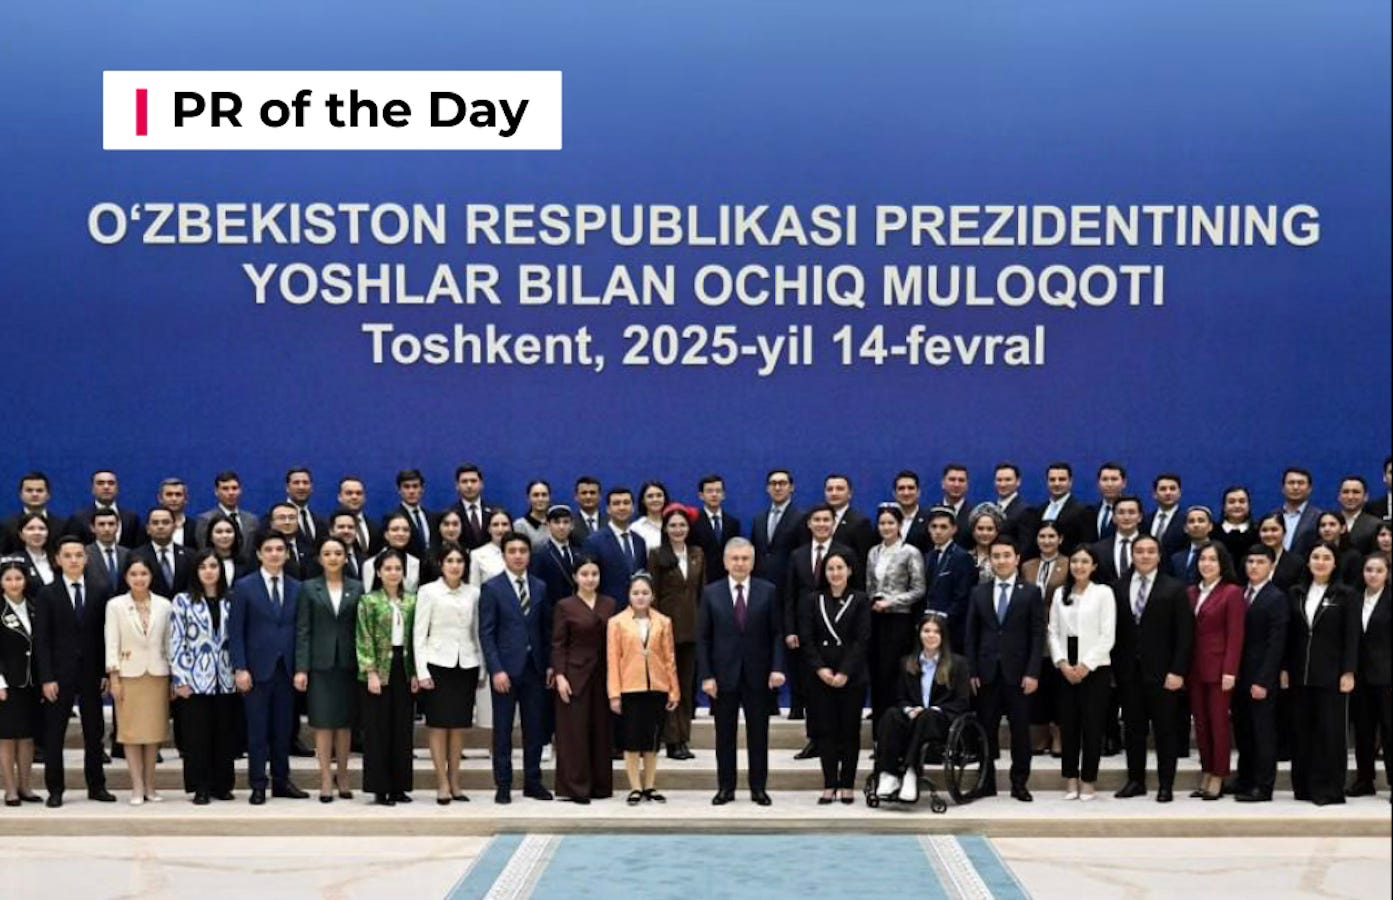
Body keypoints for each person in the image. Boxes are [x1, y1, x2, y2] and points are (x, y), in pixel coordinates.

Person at [699, 537, 786, 806]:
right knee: (724, 736)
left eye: (745, 558)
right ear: (726, 562)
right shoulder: (711, 593)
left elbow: (777, 633)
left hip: (758, 675)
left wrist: (777, 668)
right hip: (723, 676)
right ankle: (726, 788)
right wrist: (707, 675)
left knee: (758, 735)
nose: (740, 563)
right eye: (735, 558)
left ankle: (758, 788)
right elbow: (703, 638)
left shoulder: (768, 591)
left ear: (753, 561)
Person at [1111, 534, 1193, 802]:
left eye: (1150, 551)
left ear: (1159, 556)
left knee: (1165, 731)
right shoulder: (1117, 587)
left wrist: (1178, 671)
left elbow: (1185, 634)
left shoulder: (1174, 588)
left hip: (1164, 673)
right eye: (1139, 551)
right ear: (1132, 555)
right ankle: (1135, 781)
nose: (1144, 556)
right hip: (1128, 673)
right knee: (1133, 730)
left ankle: (1166, 784)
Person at [34, 536, 114, 806]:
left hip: (92, 673)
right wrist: (46, 677)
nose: (74, 560)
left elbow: (105, 635)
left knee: (94, 732)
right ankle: (55, 789)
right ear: (57, 560)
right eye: (67, 555)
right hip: (59, 674)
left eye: (79, 555)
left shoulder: (100, 590)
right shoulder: (47, 593)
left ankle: (97, 786)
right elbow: (42, 640)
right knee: (54, 735)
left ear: (86, 558)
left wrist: (105, 672)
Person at [229, 531, 308, 804]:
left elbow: (301, 630)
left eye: (279, 549)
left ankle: (282, 781)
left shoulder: (298, 587)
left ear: (287, 554)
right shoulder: (244, 586)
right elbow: (236, 631)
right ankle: (258, 784)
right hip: (256, 670)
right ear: (259, 554)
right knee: (257, 731)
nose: (275, 554)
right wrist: (240, 667)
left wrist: (301, 668)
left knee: (283, 730)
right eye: (269, 549)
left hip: (286, 670)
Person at [964, 537, 1045, 801]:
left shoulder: (1031, 592)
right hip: (986, 673)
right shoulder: (979, 592)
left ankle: (1019, 782)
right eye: (996, 556)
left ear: (1017, 558)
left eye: (1006, 555)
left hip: (1019, 674)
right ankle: (986, 781)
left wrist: (1033, 672)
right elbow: (971, 635)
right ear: (990, 560)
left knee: (1020, 731)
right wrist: (972, 670)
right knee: (985, 730)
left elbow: (1037, 635)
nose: (1001, 561)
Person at [479, 533, 553, 804]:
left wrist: (549, 665)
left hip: (535, 669)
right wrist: (496, 669)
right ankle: (503, 784)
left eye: (523, 550)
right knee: (503, 730)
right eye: (512, 551)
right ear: (504, 555)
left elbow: (546, 629)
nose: (518, 555)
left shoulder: (540, 586)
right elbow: (487, 633)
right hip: (505, 671)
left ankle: (533, 781)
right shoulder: (492, 587)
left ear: (529, 555)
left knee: (535, 729)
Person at [1285, 541, 1359, 805]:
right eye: (1315, 557)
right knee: (1301, 731)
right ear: (1308, 562)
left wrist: (1349, 671)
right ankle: (1304, 787)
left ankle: (1329, 789)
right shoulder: (1296, 592)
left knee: (1330, 733)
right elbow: (1289, 635)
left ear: (1335, 563)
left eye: (1326, 557)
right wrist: (1284, 668)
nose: (1320, 562)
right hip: (1299, 675)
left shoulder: (1346, 594)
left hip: (1332, 675)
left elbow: (1352, 636)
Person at [870, 613, 970, 801]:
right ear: (919, 634)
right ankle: (889, 774)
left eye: (936, 632)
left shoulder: (958, 664)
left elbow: (962, 702)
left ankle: (910, 771)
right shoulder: (907, 663)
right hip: (913, 717)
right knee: (891, 714)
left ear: (943, 636)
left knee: (927, 716)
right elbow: (900, 698)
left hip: (940, 721)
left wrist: (933, 710)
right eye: (926, 631)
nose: (931, 635)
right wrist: (909, 710)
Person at [799, 549, 871, 805]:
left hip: (852, 676)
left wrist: (844, 672)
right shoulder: (813, 599)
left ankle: (847, 784)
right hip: (821, 677)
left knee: (849, 731)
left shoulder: (860, 599)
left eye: (840, 568)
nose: (835, 573)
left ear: (849, 570)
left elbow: (862, 639)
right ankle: (829, 783)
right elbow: (807, 638)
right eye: (830, 568)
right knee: (826, 731)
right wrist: (821, 669)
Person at [294, 537, 363, 802]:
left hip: (348, 664)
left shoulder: (357, 587)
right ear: (320, 559)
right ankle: (325, 779)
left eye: (338, 553)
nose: (333, 558)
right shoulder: (309, 588)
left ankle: (343, 776)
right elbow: (303, 630)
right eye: (327, 553)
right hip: (319, 666)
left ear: (345, 558)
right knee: (323, 724)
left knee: (344, 725)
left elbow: (362, 628)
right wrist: (301, 668)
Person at [414, 542, 481, 804]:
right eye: (450, 561)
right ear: (441, 564)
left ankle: (455, 781)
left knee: (458, 727)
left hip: (466, 664)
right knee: (438, 725)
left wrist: (481, 666)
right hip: (437, 664)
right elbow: (419, 634)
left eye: (459, 561)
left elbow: (477, 632)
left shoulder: (473, 593)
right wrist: (421, 671)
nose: (455, 566)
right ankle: (441, 782)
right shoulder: (428, 592)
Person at [169, 549, 238, 804]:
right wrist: (180, 679)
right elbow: (175, 641)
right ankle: (201, 787)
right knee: (196, 737)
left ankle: (223, 785)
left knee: (224, 734)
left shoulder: (232, 600)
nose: (209, 571)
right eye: (203, 567)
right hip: (194, 680)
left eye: (213, 566)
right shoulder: (183, 601)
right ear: (195, 571)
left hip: (226, 679)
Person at [1048, 545, 1115, 801]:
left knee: (1092, 726)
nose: (1079, 566)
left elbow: (1107, 635)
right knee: (1069, 726)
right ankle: (1070, 779)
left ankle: (1088, 780)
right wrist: (1062, 663)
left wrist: (1086, 665)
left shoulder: (1103, 593)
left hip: (1095, 668)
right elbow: (1052, 631)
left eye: (1085, 561)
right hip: (1066, 668)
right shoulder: (1060, 593)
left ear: (1094, 566)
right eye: (1075, 561)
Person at [104, 557, 172, 805]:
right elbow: (112, 642)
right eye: (134, 574)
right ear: (126, 577)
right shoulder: (116, 605)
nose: (139, 579)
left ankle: (150, 786)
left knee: (153, 734)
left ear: (151, 576)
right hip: (128, 675)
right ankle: (136, 787)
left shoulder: (164, 605)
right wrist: (114, 678)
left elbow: (169, 642)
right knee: (131, 734)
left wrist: (174, 676)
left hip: (157, 674)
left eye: (144, 573)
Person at [608, 572, 680, 805]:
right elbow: (613, 659)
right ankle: (635, 787)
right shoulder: (617, 622)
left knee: (652, 740)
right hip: (630, 687)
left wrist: (674, 689)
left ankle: (650, 785)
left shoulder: (663, 621)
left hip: (657, 686)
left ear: (653, 596)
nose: (640, 597)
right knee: (631, 739)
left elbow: (669, 658)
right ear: (629, 595)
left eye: (645, 593)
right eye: (636, 593)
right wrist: (614, 694)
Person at [786, 504, 853, 745]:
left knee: (835, 688)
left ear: (834, 523)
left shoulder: (845, 552)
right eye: (817, 520)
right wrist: (790, 629)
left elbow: (855, 591)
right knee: (811, 687)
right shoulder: (798, 555)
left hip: (836, 628)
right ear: (809, 524)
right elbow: (790, 595)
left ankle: (836, 738)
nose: (822, 524)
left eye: (826, 520)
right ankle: (815, 740)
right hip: (806, 629)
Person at [356, 549, 418, 806]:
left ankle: (399, 787)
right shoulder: (368, 601)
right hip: (378, 668)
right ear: (379, 573)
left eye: (397, 569)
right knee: (377, 729)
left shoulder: (412, 601)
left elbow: (416, 639)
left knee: (402, 729)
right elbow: (364, 636)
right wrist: (370, 671)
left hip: (403, 666)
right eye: (388, 569)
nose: (393, 573)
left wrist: (415, 672)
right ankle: (379, 788)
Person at [551, 556, 616, 803]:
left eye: (594, 574)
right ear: (575, 577)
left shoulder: (610, 603)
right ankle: (575, 788)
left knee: (601, 730)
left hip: (603, 674)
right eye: (585, 574)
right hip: (574, 675)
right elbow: (558, 644)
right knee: (574, 732)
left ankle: (600, 786)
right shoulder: (565, 605)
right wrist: (560, 675)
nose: (590, 579)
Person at [1230, 545, 1289, 803]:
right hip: (1239, 675)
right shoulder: (1240, 593)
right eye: (1250, 561)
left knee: (1263, 733)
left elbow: (1276, 644)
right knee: (1243, 732)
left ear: (1271, 566)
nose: (1254, 566)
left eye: (1260, 562)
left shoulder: (1276, 597)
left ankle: (1263, 786)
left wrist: (1264, 680)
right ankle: (1244, 778)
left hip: (1261, 677)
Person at [1186, 542, 1245, 800]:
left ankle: (1220, 774)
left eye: (1212, 559)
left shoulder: (1232, 592)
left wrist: (1230, 670)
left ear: (1222, 563)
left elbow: (1236, 634)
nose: (1206, 564)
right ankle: (1207, 770)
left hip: (1220, 670)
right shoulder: (1191, 592)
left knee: (1218, 724)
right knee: (1201, 724)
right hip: (1194, 669)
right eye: (1202, 559)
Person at [648, 505, 705, 760]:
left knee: (686, 684)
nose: (678, 529)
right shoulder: (657, 555)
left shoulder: (697, 554)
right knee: (669, 686)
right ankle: (671, 740)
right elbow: (653, 595)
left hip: (692, 630)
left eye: (682, 525)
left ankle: (684, 737)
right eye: (673, 525)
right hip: (666, 629)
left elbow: (702, 592)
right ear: (665, 529)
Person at [865, 505, 926, 723]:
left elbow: (919, 589)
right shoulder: (873, 552)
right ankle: (878, 727)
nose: (886, 527)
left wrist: (891, 602)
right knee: (877, 670)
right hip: (876, 618)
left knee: (894, 671)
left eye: (891, 523)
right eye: (882, 523)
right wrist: (874, 602)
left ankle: (895, 724)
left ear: (899, 525)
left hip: (899, 619)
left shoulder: (910, 552)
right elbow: (869, 585)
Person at [1023, 522, 1068, 755]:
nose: (1047, 541)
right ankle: (1040, 733)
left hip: (1060, 631)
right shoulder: (1027, 565)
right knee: (1037, 684)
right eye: (1042, 536)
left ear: (1060, 539)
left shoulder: (1068, 563)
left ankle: (1058, 734)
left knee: (1058, 685)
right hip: (1032, 631)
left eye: (1051, 536)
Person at [1348, 553, 1390, 800]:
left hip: (1387, 677)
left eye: (1379, 570)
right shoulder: (1354, 598)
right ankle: (1364, 779)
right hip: (1360, 676)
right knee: (1363, 730)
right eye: (1369, 570)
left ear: (1387, 574)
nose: (1373, 575)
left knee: (1389, 729)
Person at [0, 557, 40, 805]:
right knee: (6, 737)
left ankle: (26, 786)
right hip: (7, 683)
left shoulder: (35, 606)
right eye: (8, 579)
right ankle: (10, 789)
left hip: (32, 682)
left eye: (18, 578)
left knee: (27, 736)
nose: (14, 583)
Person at [923, 507, 979, 651]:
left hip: (952, 628)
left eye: (943, 527)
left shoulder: (962, 557)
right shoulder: (928, 556)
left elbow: (963, 596)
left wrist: (942, 620)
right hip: (928, 627)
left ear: (954, 529)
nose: (938, 531)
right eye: (934, 526)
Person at [583, 488, 647, 609]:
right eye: (616, 503)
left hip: (638, 610)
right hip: (607, 611)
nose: (622, 507)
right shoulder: (594, 541)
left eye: (626, 503)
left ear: (633, 508)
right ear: (608, 509)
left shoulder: (640, 541)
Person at [68, 469, 143, 549]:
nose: (106, 487)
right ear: (92, 489)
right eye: (100, 483)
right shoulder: (79, 519)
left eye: (111, 483)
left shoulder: (131, 519)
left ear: (117, 488)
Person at [131, 507, 194, 598]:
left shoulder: (190, 555)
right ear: (148, 529)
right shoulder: (136, 555)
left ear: (174, 527)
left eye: (165, 522)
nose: (160, 526)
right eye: (155, 523)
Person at [194, 470, 258, 556]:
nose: (231, 493)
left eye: (234, 488)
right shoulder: (206, 520)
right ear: (216, 491)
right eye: (225, 489)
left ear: (240, 490)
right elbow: (203, 550)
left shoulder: (252, 520)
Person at [690, 475, 740, 584]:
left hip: (727, 579)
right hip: (702, 580)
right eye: (709, 491)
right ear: (701, 496)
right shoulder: (693, 523)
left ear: (724, 495)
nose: (714, 494)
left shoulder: (733, 523)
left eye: (718, 491)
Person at [1, 472, 67, 555]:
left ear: (48, 495)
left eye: (39, 490)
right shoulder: (7, 526)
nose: (34, 494)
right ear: (21, 495)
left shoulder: (62, 526)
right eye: (29, 490)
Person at [1034, 462, 1090, 555]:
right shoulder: (1040, 510)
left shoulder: (1082, 511)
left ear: (1070, 482)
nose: (1056, 483)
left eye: (1062, 479)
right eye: (1052, 480)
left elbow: (1086, 544)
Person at [361, 513, 425, 593]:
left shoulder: (416, 563)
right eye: (395, 529)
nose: (401, 533)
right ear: (386, 535)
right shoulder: (370, 564)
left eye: (405, 530)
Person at [1091, 496, 1144, 587]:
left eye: (1131, 512)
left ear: (1140, 517)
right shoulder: (1098, 549)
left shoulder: (1152, 547)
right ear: (1114, 518)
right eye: (1121, 512)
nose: (1126, 517)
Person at [385, 468, 438, 560]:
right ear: (399, 490)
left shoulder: (432, 517)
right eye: (406, 487)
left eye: (415, 486)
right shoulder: (392, 518)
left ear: (422, 489)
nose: (411, 491)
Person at [824, 474, 876, 565]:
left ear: (850, 494)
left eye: (839, 489)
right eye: (830, 489)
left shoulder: (860, 523)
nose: (834, 493)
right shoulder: (816, 520)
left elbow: (863, 560)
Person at [1279, 467, 1322, 559]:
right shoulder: (1271, 517)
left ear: (1309, 489)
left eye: (1301, 483)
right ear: (1283, 488)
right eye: (1291, 483)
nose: (1295, 487)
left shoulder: (1318, 517)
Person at [450, 464, 495, 550]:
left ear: (481, 484)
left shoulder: (494, 511)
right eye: (464, 481)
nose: (469, 485)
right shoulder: (451, 513)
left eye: (473, 481)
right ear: (457, 486)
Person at [84, 508, 129, 593]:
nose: (107, 529)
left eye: (111, 524)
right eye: (101, 524)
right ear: (92, 528)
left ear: (118, 527)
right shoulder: (84, 554)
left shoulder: (127, 554)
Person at [1315, 512, 1365, 587]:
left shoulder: (1353, 556)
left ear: (1342, 529)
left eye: (1332, 524)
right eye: (1323, 525)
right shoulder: (1312, 553)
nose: (1326, 529)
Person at [1256, 514, 1304, 592]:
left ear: (1284, 532)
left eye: (1274, 530)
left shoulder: (1297, 563)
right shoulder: (1248, 560)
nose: (1269, 534)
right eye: (1264, 530)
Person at [1084, 462, 1129, 545]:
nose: (1109, 484)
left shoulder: (1132, 512)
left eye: (1114, 479)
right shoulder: (1090, 511)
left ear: (1124, 483)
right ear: (1098, 483)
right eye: (1105, 479)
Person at [1335, 476, 1381, 555]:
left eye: (1356, 492)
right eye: (1345, 492)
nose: (1350, 497)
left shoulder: (1375, 525)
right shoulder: (1328, 522)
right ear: (1339, 496)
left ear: (1366, 497)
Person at [1215, 486, 1260, 568]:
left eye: (1242, 501)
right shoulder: (1213, 532)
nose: (1237, 505)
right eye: (1231, 502)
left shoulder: (1258, 532)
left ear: (1249, 505)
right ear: (1224, 507)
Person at [1171, 506, 1216, 584]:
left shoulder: (1219, 554)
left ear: (1210, 526)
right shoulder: (1176, 558)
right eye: (1191, 521)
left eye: (1201, 521)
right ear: (1185, 528)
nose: (1196, 525)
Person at [1147, 474, 1188, 559]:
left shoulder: (1187, 520)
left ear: (1179, 493)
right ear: (1154, 494)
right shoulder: (1146, 520)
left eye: (1172, 489)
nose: (1168, 493)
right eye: (1163, 489)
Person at [206, 513, 250, 587]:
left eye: (229, 531)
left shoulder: (246, 563)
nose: (224, 536)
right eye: (219, 532)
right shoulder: (202, 563)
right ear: (211, 537)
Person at [892, 470, 930, 552]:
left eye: (911, 488)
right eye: (901, 488)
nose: (906, 493)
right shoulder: (886, 521)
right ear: (894, 493)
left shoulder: (929, 519)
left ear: (918, 492)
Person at [967, 504, 1004, 584]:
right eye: (980, 528)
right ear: (973, 531)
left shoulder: (1004, 559)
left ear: (997, 531)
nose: (985, 533)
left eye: (990, 529)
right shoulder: (965, 558)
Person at [513, 480, 553, 551]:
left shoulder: (557, 523)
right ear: (528, 499)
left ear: (549, 498)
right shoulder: (520, 526)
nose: (540, 499)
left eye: (544, 495)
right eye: (536, 495)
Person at [629, 481, 669, 550]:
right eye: (650, 496)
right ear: (643, 500)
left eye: (659, 495)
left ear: (665, 498)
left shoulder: (674, 524)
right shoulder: (635, 528)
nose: (655, 499)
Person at [570, 476, 606, 544]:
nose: (588, 497)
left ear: (600, 496)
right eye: (584, 493)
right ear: (576, 497)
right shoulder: (570, 523)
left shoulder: (610, 522)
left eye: (592, 493)